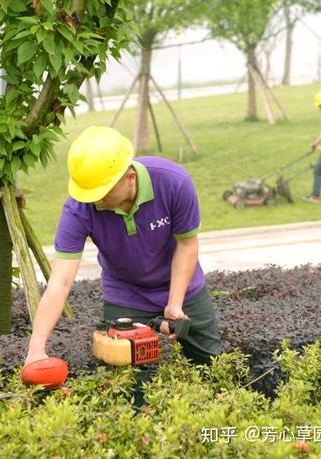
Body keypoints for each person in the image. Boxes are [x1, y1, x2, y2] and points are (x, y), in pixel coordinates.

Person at [24, 126, 222, 370]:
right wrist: (36, 349)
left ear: (130, 177)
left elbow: (187, 244)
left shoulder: (173, 182)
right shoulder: (79, 208)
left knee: (212, 367)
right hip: (126, 295)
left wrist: (175, 303)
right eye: (90, 194)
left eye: (102, 192)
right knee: (128, 380)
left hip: (184, 288)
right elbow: (60, 283)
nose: (96, 200)